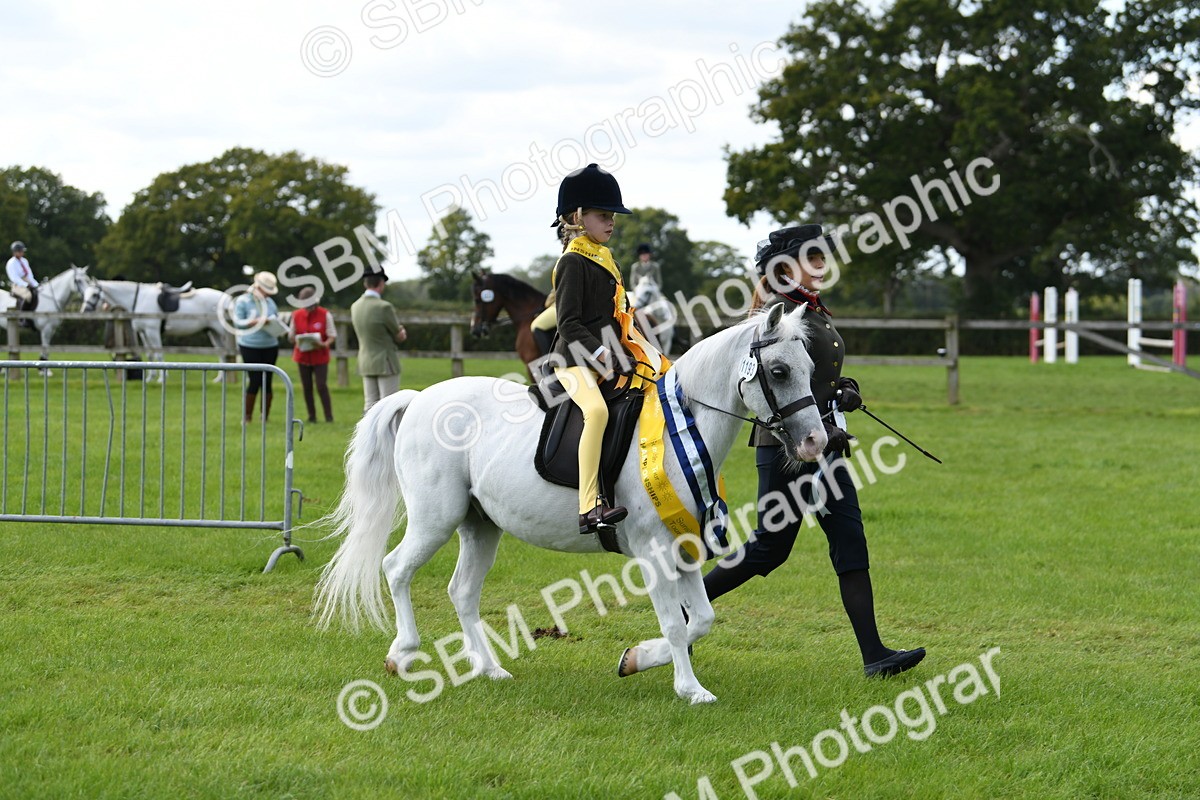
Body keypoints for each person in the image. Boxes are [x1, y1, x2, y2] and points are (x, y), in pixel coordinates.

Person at [701, 224, 926, 679]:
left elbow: (814, 373)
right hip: (791, 446)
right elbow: (773, 381)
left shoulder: (809, 307)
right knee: (770, 547)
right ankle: (683, 607)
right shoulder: (780, 312)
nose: (823, 265)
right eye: (813, 257)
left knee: (845, 538)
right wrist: (824, 420)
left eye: (824, 257)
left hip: (824, 441)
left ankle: (875, 655)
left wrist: (845, 389)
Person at [550, 163, 661, 535]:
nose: (611, 222)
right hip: (573, 361)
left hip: (608, 355)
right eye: (603, 216)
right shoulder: (571, 261)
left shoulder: (605, 258)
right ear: (579, 217)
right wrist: (604, 355)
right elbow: (568, 324)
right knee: (596, 412)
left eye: (612, 216)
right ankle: (588, 508)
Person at [350, 267, 406, 412]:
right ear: (381, 283)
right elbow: (398, 335)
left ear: (365, 284)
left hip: (365, 360)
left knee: (370, 406)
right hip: (385, 361)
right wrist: (402, 332)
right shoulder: (384, 307)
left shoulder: (355, 306)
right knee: (389, 406)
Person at [234, 271, 282, 423]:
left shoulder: (270, 303)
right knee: (254, 380)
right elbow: (237, 322)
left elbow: (276, 318)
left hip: (270, 345)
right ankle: (247, 416)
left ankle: (264, 416)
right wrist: (255, 322)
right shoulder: (243, 301)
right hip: (250, 345)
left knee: (268, 380)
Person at [288, 285, 337, 423]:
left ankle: (328, 416)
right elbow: (291, 335)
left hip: (320, 356)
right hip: (302, 356)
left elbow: (332, 335)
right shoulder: (296, 315)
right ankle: (312, 416)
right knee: (306, 386)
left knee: (321, 385)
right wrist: (295, 339)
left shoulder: (325, 314)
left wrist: (324, 344)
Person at [6, 241, 38, 324]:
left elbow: (29, 275)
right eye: (20, 251)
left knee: (38, 292)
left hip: (27, 281)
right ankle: (22, 318)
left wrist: (35, 284)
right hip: (17, 284)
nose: (22, 253)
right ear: (15, 252)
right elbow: (14, 278)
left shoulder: (24, 261)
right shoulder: (11, 263)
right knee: (28, 296)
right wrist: (25, 285)